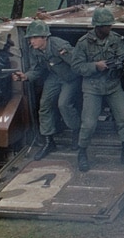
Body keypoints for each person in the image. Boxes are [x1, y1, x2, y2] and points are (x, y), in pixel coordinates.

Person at [71, 7, 124, 172]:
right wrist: (95, 66)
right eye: (106, 26)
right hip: (92, 87)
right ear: (97, 27)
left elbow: (123, 62)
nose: (109, 28)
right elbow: (76, 67)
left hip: (113, 85)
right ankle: (82, 153)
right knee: (88, 123)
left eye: (110, 25)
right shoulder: (83, 43)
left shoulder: (116, 39)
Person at [13, 20, 80, 160]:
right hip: (54, 77)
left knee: (64, 104)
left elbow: (78, 63)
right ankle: (49, 141)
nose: (31, 41)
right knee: (44, 106)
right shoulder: (35, 50)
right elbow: (36, 69)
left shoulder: (59, 46)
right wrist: (25, 76)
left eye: (34, 37)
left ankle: (77, 132)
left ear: (45, 37)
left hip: (70, 78)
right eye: (30, 38)